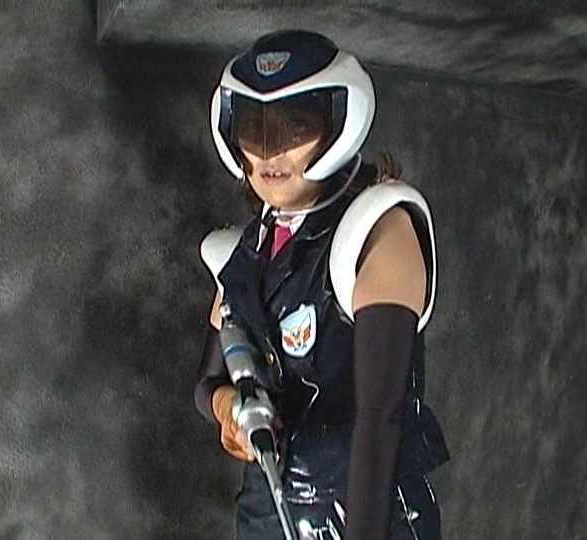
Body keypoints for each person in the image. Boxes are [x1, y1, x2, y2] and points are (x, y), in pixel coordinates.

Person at [194, 29, 449, 539]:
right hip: (267, 505)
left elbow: (380, 417)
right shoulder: (244, 252)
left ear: (337, 122)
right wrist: (231, 410)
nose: (271, 152)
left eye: (296, 126)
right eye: (255, 128)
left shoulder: (377, 229)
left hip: (368, 510)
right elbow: (208, 383)